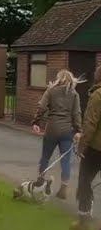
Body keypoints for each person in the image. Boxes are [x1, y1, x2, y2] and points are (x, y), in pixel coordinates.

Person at [32, 69, 82, 199]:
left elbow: (41, 106)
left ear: (59, 79)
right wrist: (78, 130)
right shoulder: (74, 94)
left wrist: (36, 121)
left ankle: (40, 180)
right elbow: (76, 113)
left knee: (45, 156)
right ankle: (64, 187)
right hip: (67, 131)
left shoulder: (51, 91)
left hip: (52, 129)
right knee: (66, 160)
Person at [75, 68, 101, 230]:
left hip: (96, 148)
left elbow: (90, 123)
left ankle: (83, 222)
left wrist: (81, 146)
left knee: (85, 181)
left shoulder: (97, 95)